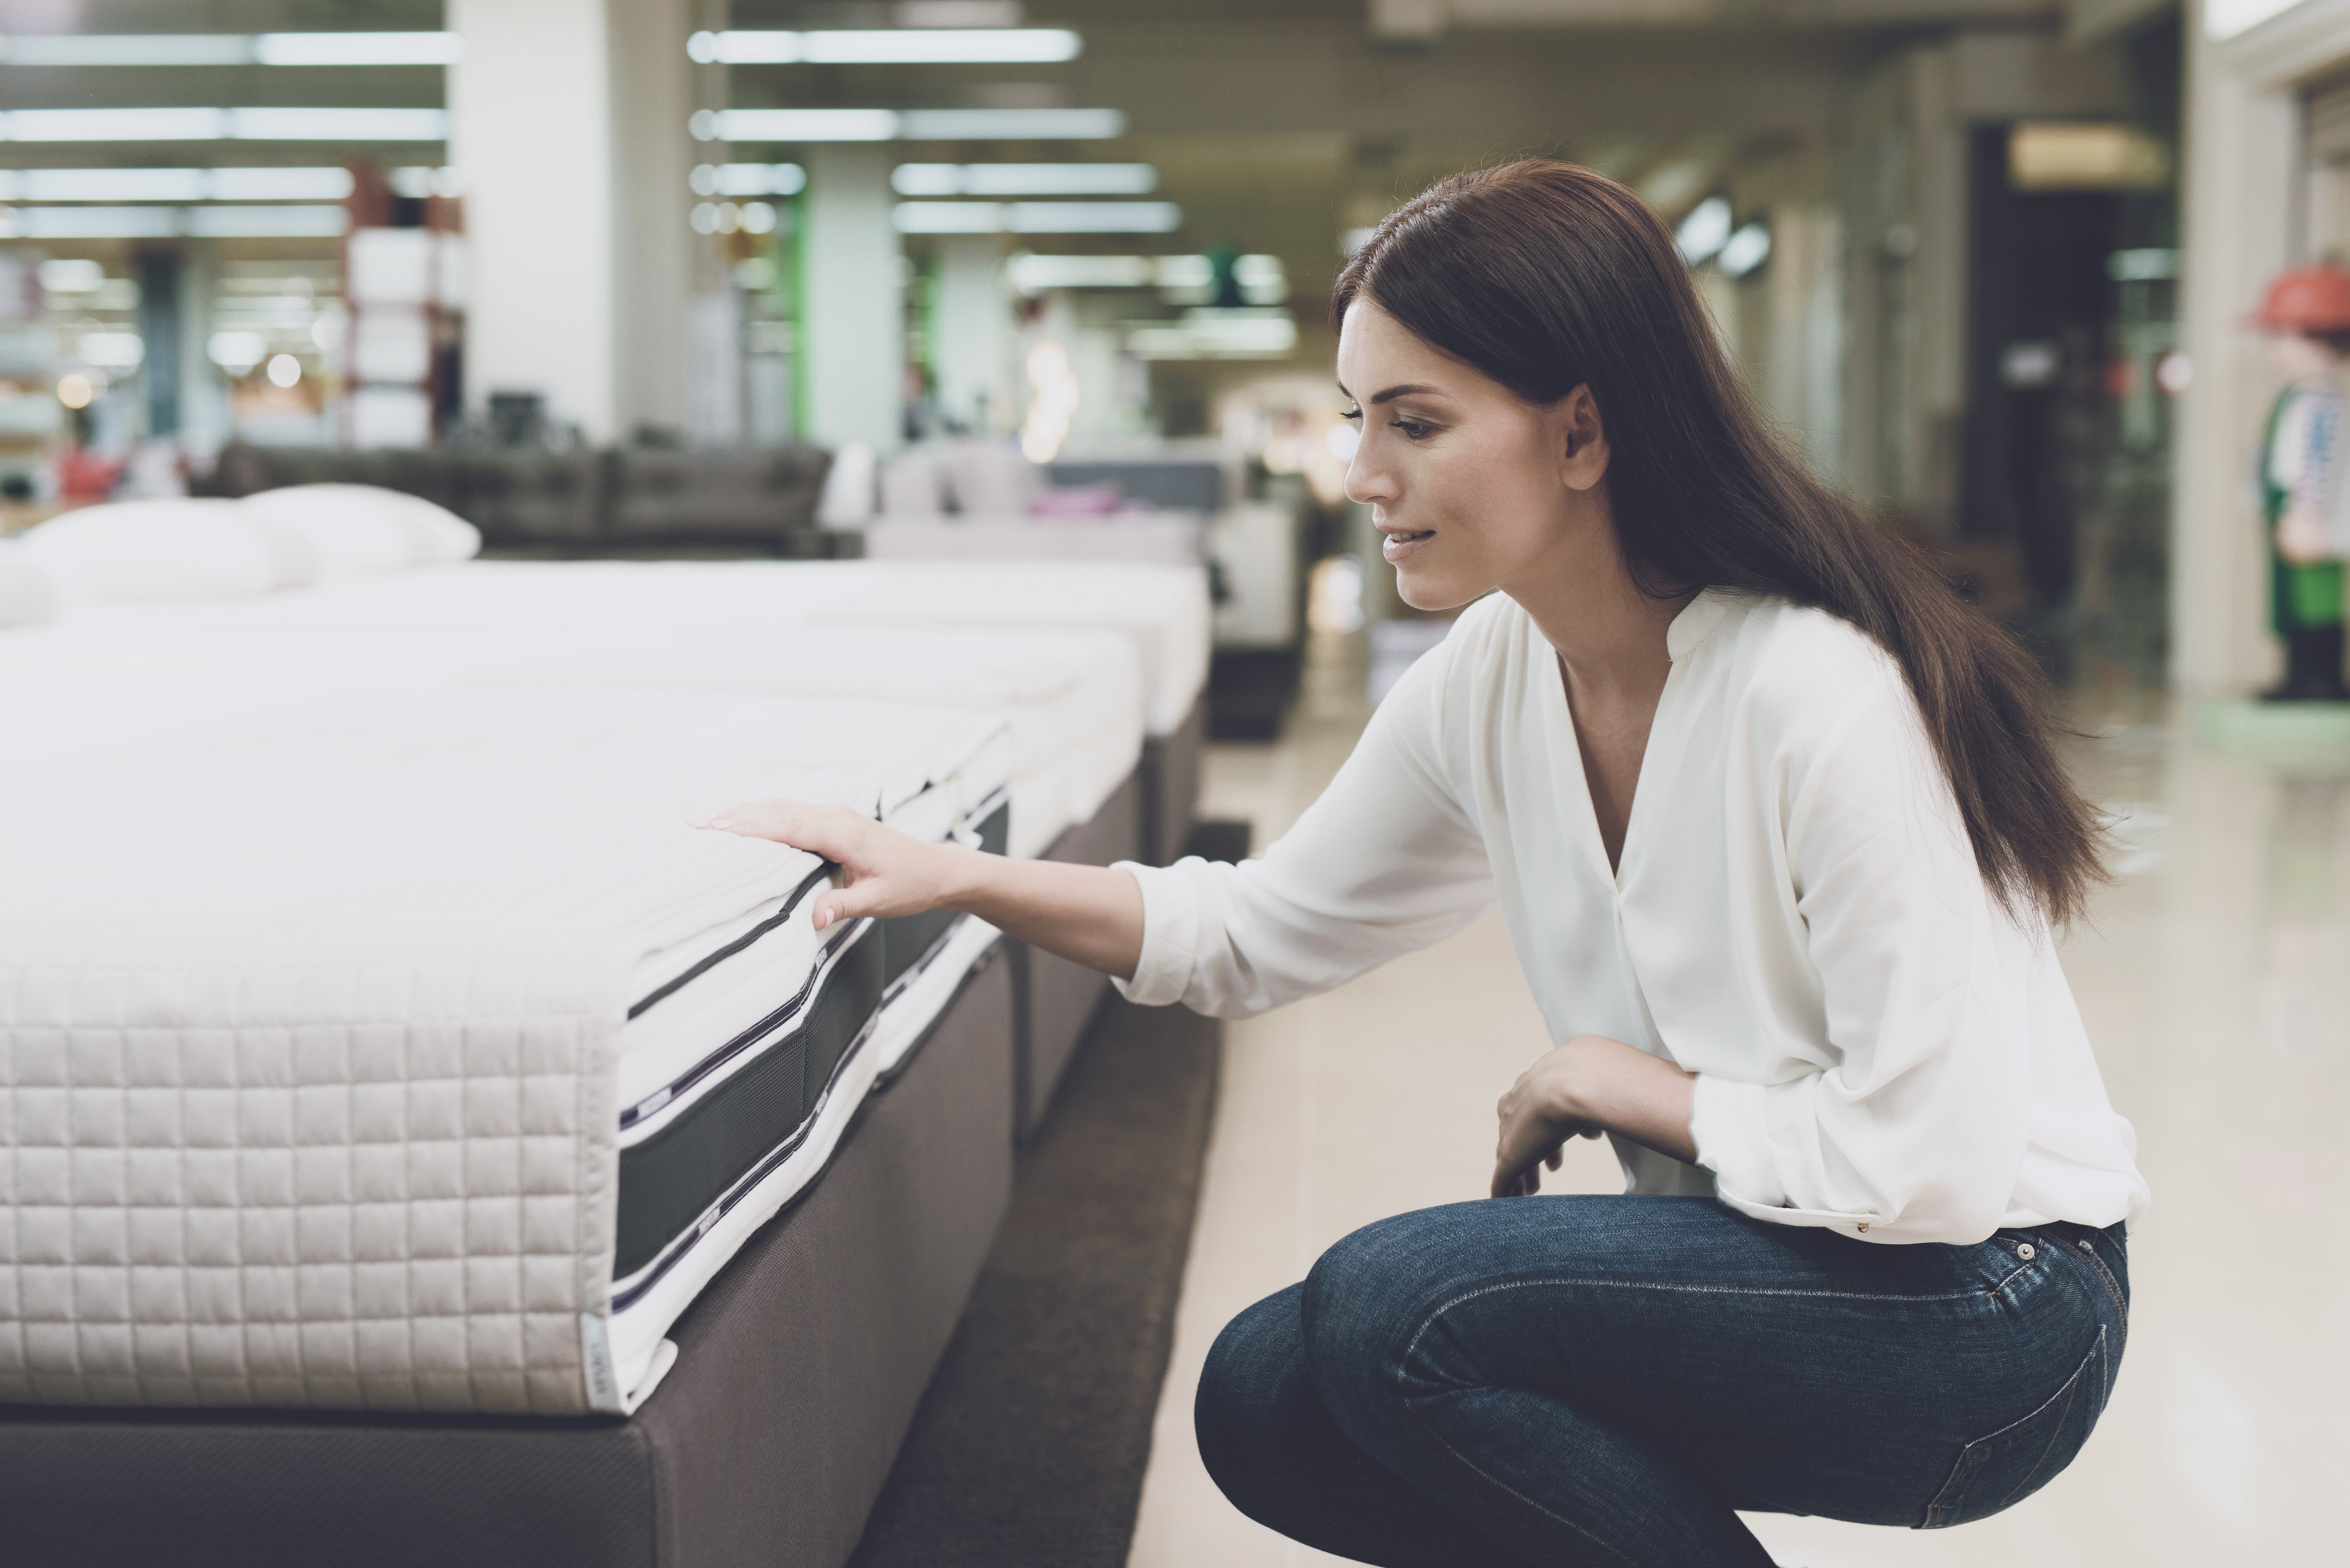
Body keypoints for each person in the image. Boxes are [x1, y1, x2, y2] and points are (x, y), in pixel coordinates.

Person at [697, 160, 2149, 1566]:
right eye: (1356, 418)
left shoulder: (1817, 693)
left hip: (1996, 1308)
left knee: (1396, 1307)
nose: (1361, 473)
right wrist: (952, 873)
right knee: (1271, 1397)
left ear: (1581, 434)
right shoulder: (1499, 672)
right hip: (1809, 1253)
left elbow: (1935, 1170)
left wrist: (1613, 1078)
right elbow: (1256, 929)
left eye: (1412, 420)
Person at [2252, 264, 2350, 702]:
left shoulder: (2324, 404)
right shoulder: (2298, 398)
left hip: (2309, 517)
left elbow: (2320, 464)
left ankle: (2321, 677)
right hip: (2286, 509)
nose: (2276, 350)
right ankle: (2299, 675)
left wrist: (2308, 515)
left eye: (2286, 337)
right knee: (2290, 600)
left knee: (2318, 600)